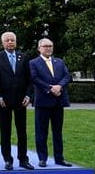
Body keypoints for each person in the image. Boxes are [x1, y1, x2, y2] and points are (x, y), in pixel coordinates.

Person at [0, 32, 34, 170]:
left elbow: (29, 80)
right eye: (7, 40)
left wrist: (28, 96)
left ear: (16, 42)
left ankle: (23, 159)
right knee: (6, 131)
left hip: (21, 100)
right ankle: (8, 159)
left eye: (12, 40)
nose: (10, 42)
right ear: (2, 43)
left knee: (22, 131)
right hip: (4, 101)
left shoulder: (24, 57)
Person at [29, 38, 72, 168]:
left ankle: (59, 158)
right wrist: (50, 88)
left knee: (57, 132)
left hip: (58, 101)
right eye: (45, 46)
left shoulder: (59, 61)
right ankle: (42, 158)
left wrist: (59, 86)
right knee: (41, 131)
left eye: (50, 46)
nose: (48, 48)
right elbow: (34, 78)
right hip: (43, 102)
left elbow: (67, 76)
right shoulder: (33, 63)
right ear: (39, 48)